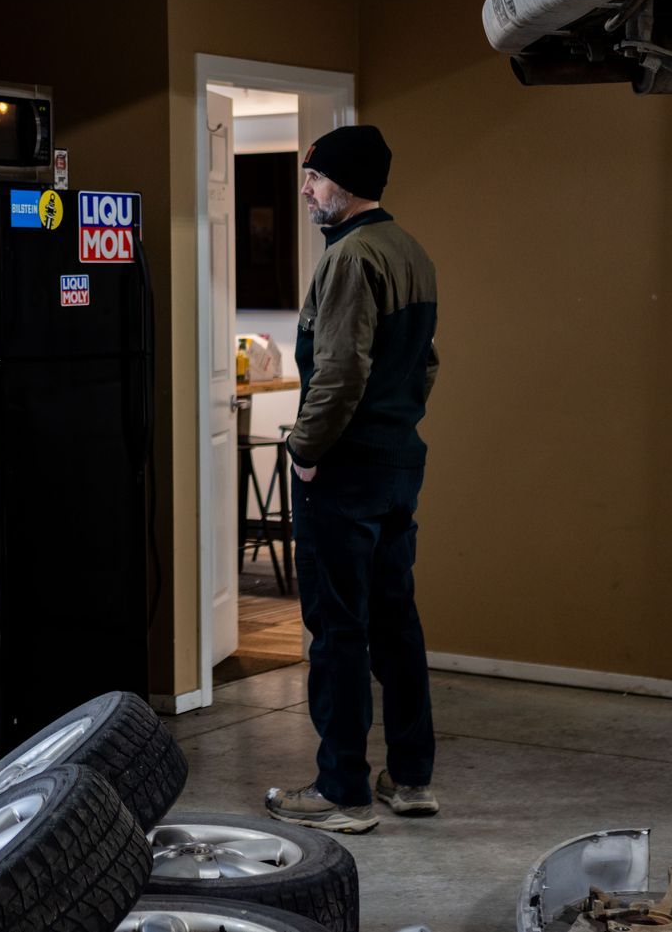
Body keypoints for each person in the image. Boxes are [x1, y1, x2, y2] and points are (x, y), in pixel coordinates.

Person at [264, 126, 440, 836]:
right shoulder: (412, 253)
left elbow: (339, 372)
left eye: (314, 177)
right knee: (396, 621)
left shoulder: (349, 258)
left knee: (337, 630)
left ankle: (342, 790)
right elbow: (427, 365)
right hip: (398, 462)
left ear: (346, 181)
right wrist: (392, 428)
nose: (306, 188)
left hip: (342, 471)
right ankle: (411, 777)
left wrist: (304, 448)